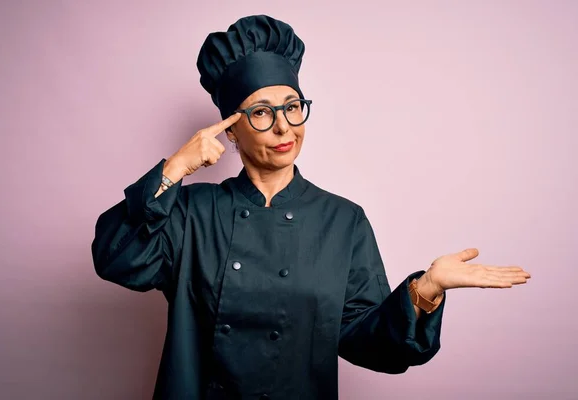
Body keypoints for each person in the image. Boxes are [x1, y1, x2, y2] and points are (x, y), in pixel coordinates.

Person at [91, 15, 531, 400]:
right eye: (261, 111)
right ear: (231, 130)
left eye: (293, 107)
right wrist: (175, 168)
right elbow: (117, 259)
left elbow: (367, 339)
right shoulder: (190, 212)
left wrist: (425, 290)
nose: (284, 125)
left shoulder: (343, 221)